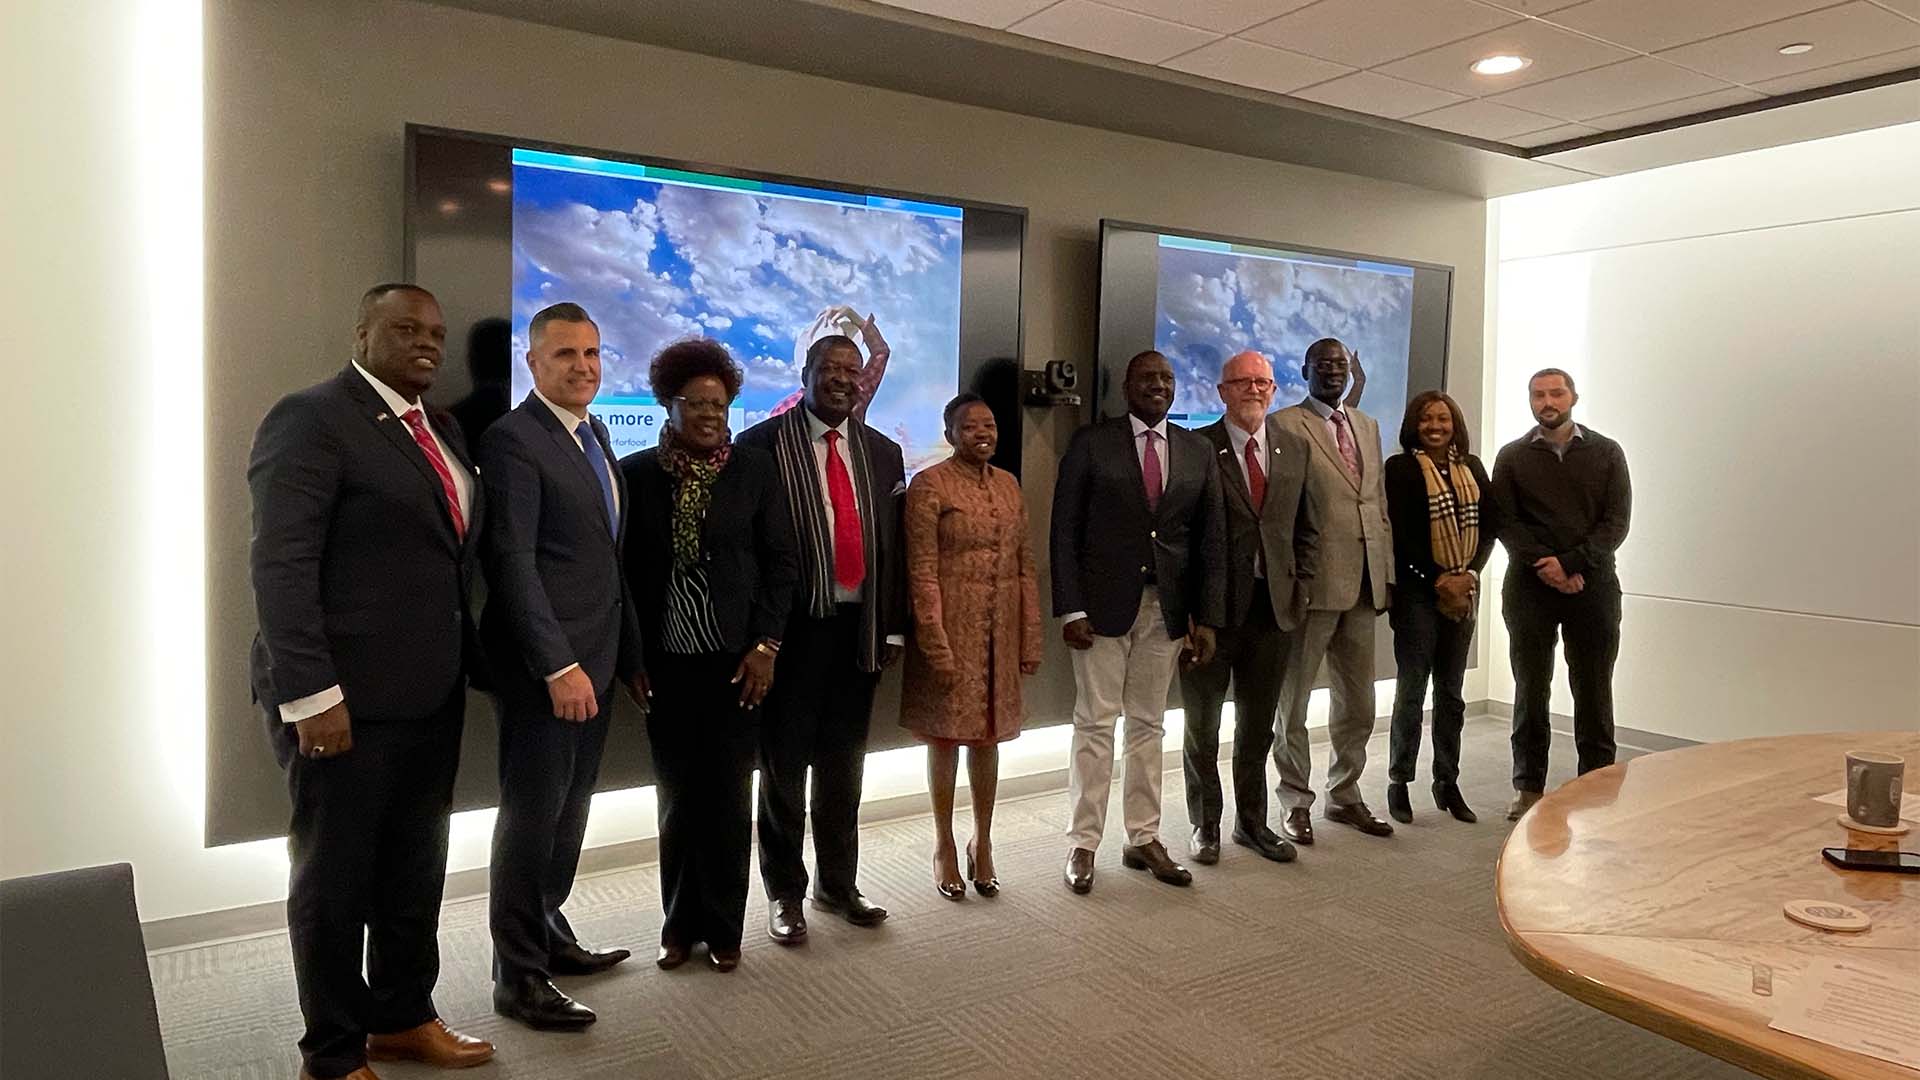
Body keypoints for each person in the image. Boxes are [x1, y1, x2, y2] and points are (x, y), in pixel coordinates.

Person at [248, 282, 494, 1080]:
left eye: (436, 331)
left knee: (413, 869)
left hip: (428, 692)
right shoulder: (312, 417)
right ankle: (332, 1053)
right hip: (342, 703)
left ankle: (401, 1017)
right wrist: (312, 696)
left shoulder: (442, 428)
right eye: (405, 328)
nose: (426, 341)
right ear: (361, 332)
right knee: (336, 881)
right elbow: (281, 566)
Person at [480, 302, 645, 1031]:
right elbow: (511, 562)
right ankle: (516, 977)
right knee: (530, 818)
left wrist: (629, 661)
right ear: (533, 363)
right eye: (565, 355)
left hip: (600, 661)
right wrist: (557, 665)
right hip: (548, 671)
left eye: (592, 353)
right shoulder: (514, 440)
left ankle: (550, 932)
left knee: (570, 812)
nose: (583, 366)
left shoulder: (595, 432)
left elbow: (606, 563)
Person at [621, 339, 798, 972]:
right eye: (694, 403)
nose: (708, 413)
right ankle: (678, 926)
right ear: (667, 405)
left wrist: (765, 646)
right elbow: (626, 575)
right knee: (675, 799)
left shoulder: (753, 471)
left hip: (736, 665)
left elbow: (782, 564)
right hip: (665, 665)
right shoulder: (637, 475)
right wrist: (631, 657)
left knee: (726, 799)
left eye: (718, 403)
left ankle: (724, 928)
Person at [737, 333, 908, 944]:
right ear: (805, 373)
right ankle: (785, 893)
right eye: (829, 368)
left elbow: (895, 550)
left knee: (845, 767)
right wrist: (759, 637)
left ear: (865, 380)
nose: (841, 378)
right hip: (788, 634)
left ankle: (838, 884)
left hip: (858, 631)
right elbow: (748, 552)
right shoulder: (760, 446)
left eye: (851, 370)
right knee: (782, 770)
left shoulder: (884, 454)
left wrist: (891, 626)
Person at [1051, 349, 1225, 894]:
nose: (1158, 385)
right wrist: (1071, 607)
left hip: (1167, 611)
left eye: (1167, 379)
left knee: (1149, 725)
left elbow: (1210, 540)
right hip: (1101, 609)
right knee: (1095, 724)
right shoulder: (1092, 442)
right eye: (1147, 377)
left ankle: (1143, 837)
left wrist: (1207, 618)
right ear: (1127, 387)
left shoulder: (1197, 450)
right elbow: (1064, 529)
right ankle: (1083, 843)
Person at [1179, 351, 1319, 866]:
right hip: (1211, 616)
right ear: (1222, 392)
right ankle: (1205, 825)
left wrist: (1301, 587)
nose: (1254, 391)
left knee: (1258, 727)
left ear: (1274, 390)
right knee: (1203, 727)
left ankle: (1253, 824)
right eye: (1242, 382)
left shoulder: (1294, 448)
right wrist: (1191, 611)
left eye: (1263, 382)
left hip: (1273, 611)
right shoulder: (1196, 449)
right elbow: (1183, 535)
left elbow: (1307, 527)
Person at [900, 393, 1041, 899]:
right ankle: (943, 844)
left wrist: (1031, 636)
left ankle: (983, 840)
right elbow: (921, 568)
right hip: (948, 629)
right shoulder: (929, 485)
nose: (983, 433)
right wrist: (934, 640)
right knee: (944, 739)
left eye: (990, 424)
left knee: (989, 738)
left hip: (1000, 631)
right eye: (970, 426)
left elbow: (1025, 565)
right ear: (950, 433)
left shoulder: (1009, 485)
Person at [1270, 338, 1397, 842]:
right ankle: (1295, 799)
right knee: (1294, 703)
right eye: (1322, 365)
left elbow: (1377, 503)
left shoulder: (1366, 426)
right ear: (1304, 371)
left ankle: (1344, 795)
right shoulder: (1284, 424)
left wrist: (1384, 573)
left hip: (1365, 583)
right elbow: (1281, 513)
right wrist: (1290, 578)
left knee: (1359, 703)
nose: (1332, 372)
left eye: (1340, 365)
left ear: (1350, 372)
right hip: (1312, 585)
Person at [1489, 368, 1631, 821]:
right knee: (1531, 688)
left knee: (1593, 687)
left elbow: (1616, 522)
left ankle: (1598, 783)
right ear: (1529, 400)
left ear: (1573, 396)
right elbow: (1506, 522)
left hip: (1594, 586)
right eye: (1538, 394)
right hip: (1530, 588)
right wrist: (1548, 567)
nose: (1547, 401)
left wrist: (1571, 564)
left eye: (1556, 392)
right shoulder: (1511, 457)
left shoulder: (1607, 453)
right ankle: (1528, 787)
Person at [1382, 390, 1495, 826]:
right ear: (1415, 423)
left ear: (1455, 424)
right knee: (1412, 689)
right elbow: (1402, 534)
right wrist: (1438, 580)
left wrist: (1469, 575)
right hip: (1417, 593)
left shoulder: (1473, 468)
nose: (1435, 425)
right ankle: (1399, 781)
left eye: (1443, 419)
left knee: (1451, 693)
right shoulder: (1401, 468)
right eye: (1427, 418)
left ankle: (1447, 781)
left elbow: (1491, 525)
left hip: (1464, 589)